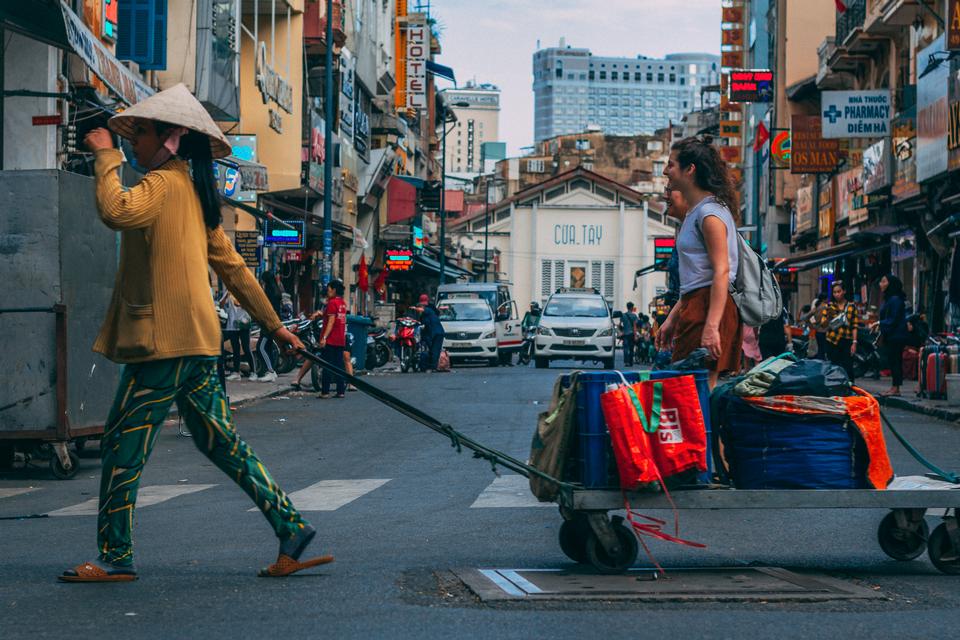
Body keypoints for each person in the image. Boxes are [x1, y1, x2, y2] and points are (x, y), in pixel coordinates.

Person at [64, 84, 330, 583]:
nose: (133, 142)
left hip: (164, 342)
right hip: (199, 341)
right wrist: (275, 326)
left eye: (140, 133)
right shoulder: (192, 193)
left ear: (170, 139)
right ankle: (291, 528)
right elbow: (235, 269)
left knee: (123, 443)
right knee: (220, 441)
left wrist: (104, 158)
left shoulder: (163, 185)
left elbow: (116, 211)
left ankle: (116, 556)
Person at [657, 137, 743, 389]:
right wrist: (673, 317)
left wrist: (712, 326)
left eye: (671, 165)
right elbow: (698, 275)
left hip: (709, 307)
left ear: (690, 170)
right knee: (693, 393)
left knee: (697, 393)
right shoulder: (698, 211)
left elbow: (721, 271)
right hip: (698, 304)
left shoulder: (709, 214)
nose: (665, 171)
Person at [820, 281, 860, 383]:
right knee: (833, 366)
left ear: (844, 291)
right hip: (832, 340)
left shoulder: (851, 306)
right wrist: (828, 317)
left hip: (846, 340)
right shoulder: (829, 306)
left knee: (848, 366)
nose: (837, 294)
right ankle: (834, 387)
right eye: (834, 292)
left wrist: (854, 342)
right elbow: (823, 325)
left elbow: (854, 326)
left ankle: (850, 387)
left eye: (839, 291)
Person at [876, 274, 909, 396]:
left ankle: (896, 388)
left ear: (890, 284)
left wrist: (879, 323)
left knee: (895, 361)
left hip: (897, 335)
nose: (881, 284)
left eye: (883, 281)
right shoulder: (890, 299)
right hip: (892, 335)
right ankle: (895, 387)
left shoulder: (895, 299)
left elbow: (893, 319)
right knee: (893, 360)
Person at [318, 279, 348, 398]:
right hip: (340, 338)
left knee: (327, 365)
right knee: (339, 365)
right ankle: (340, 391)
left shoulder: (332, 303)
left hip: (331, 339)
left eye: (329, 289)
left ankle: (325, 392)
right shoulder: (342, 303)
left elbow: (331, 322)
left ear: (334, 290)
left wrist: (324, 337)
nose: (328, 292)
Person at [255, 269, 283, 382]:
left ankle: (270, 371)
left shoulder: (269, 293)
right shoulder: (277, 291)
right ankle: (271, 371)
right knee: (268, 347)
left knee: (260, 347)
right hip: (273, 324)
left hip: (267, 325)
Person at [221, 292, 256, 381]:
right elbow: (221, 305)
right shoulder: (228, 293)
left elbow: (248, 305)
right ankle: (236, 372)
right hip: (232, 325)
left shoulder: (243, 291)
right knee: (235, 349)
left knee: (246, 348)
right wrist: (226, 297)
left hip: (243, 322)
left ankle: (253, 372)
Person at [417, 293, 446, 371]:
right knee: (432, 350)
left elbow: (426, 323)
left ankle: (433, 367)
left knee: (434, 350)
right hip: (435, 332)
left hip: (436, 333)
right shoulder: (431, 309)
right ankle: (431, 366)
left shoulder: (428, 310)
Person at [620, 302, 640, 367]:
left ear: (627, 307)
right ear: (631, 307)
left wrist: (621, 332)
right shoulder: (634, 316)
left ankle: (626, 362)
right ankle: (631, 362)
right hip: (631, 334)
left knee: (625, 348)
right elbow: (635, 326)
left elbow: (620, 325)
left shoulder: (623, 315)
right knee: (631, 348)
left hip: (625, 334)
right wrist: (636, 335)